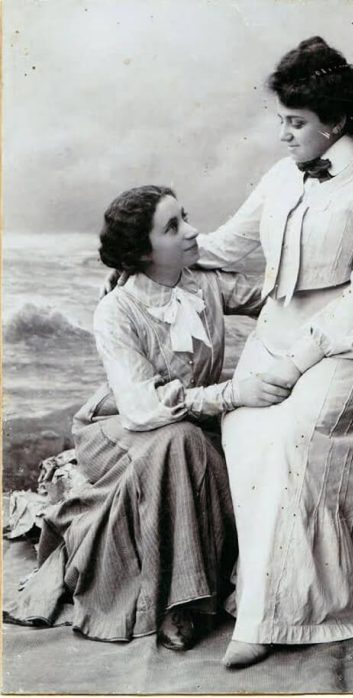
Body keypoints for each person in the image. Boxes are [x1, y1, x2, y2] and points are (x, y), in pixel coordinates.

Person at [103, 38, 353, 669]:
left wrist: (295, 364)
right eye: (281, 120)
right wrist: (143, 267)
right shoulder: (279, 176)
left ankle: (270, 617)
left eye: (295, 123)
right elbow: (222, 245)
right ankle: (262, 595)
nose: (282, 134)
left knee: (297, 430)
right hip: (276, 332)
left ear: (337, 121)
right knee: (248, 425)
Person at [5, 185, 291, 650]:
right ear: (142, 251)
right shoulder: (116, 309)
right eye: (173, 227)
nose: (192, 232)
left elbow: (279, 298)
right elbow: (143, 409)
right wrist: (235, 393)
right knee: (180, 441)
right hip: (118, 429)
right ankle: (180, 603)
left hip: (185, 424)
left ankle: (195, 590)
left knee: (202, 442)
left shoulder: (204, 282)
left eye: (185, 217)